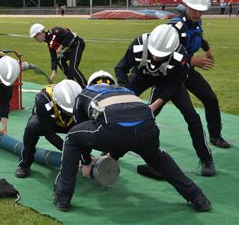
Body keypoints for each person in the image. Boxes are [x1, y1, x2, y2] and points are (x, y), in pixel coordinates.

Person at [53, 70, 211, 212]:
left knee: (72, 138)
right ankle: (197, 197)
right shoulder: (126, 91)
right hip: (147, 128)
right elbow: (129, 122)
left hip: (112, 130)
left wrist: (86, 161)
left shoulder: (85, 94)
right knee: (157, 158)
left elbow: (81, 134)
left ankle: (63, 197)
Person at [115, 24, 215, 176]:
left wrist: (154, 105)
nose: (156, 57)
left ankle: (206, 159)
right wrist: (126, 94)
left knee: (191, 116)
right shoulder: (138, 45)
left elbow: (174, 85)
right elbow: (120, 69)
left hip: (168, 82)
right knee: (123, 111)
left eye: (161, 55)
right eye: (154, 53)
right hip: (142, 76)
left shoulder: (181, 56)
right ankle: (113, 152)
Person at [168, 0, 230, 148]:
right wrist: (192, 61)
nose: (197, 14)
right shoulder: (175, 26)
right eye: (194, 10)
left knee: (210, 99)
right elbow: (168, 54)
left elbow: (199, 37)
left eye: (201, 11)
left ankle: (215, 136)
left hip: (187, 71)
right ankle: (128, 139)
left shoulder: (196, 22)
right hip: (169, 76)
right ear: (186, 6)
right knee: (154, 109)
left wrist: (207, 50)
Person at [15, 79, 82, 178]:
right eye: (67, 111)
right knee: (32, 127)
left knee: (86, 129)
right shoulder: (43, 100)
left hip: (71, 122)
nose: (69, 113)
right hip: (50, 122)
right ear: (57, 102)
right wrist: (72, 153)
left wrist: (85, 156)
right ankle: (24, 164)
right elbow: (50, 135)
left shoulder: (79, 97)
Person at [29, 23, 87, 87]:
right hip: (70, 48)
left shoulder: (55, 31)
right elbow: (53, 57)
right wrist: (54, 70)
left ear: (40, 33)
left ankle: (85, 86)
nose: (36, 39)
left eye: (35, 37)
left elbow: (70, 36)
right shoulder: (49, 43)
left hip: (77, 44)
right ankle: (72, 81)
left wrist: (61, 47)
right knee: (60, 61)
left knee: (72, 68)